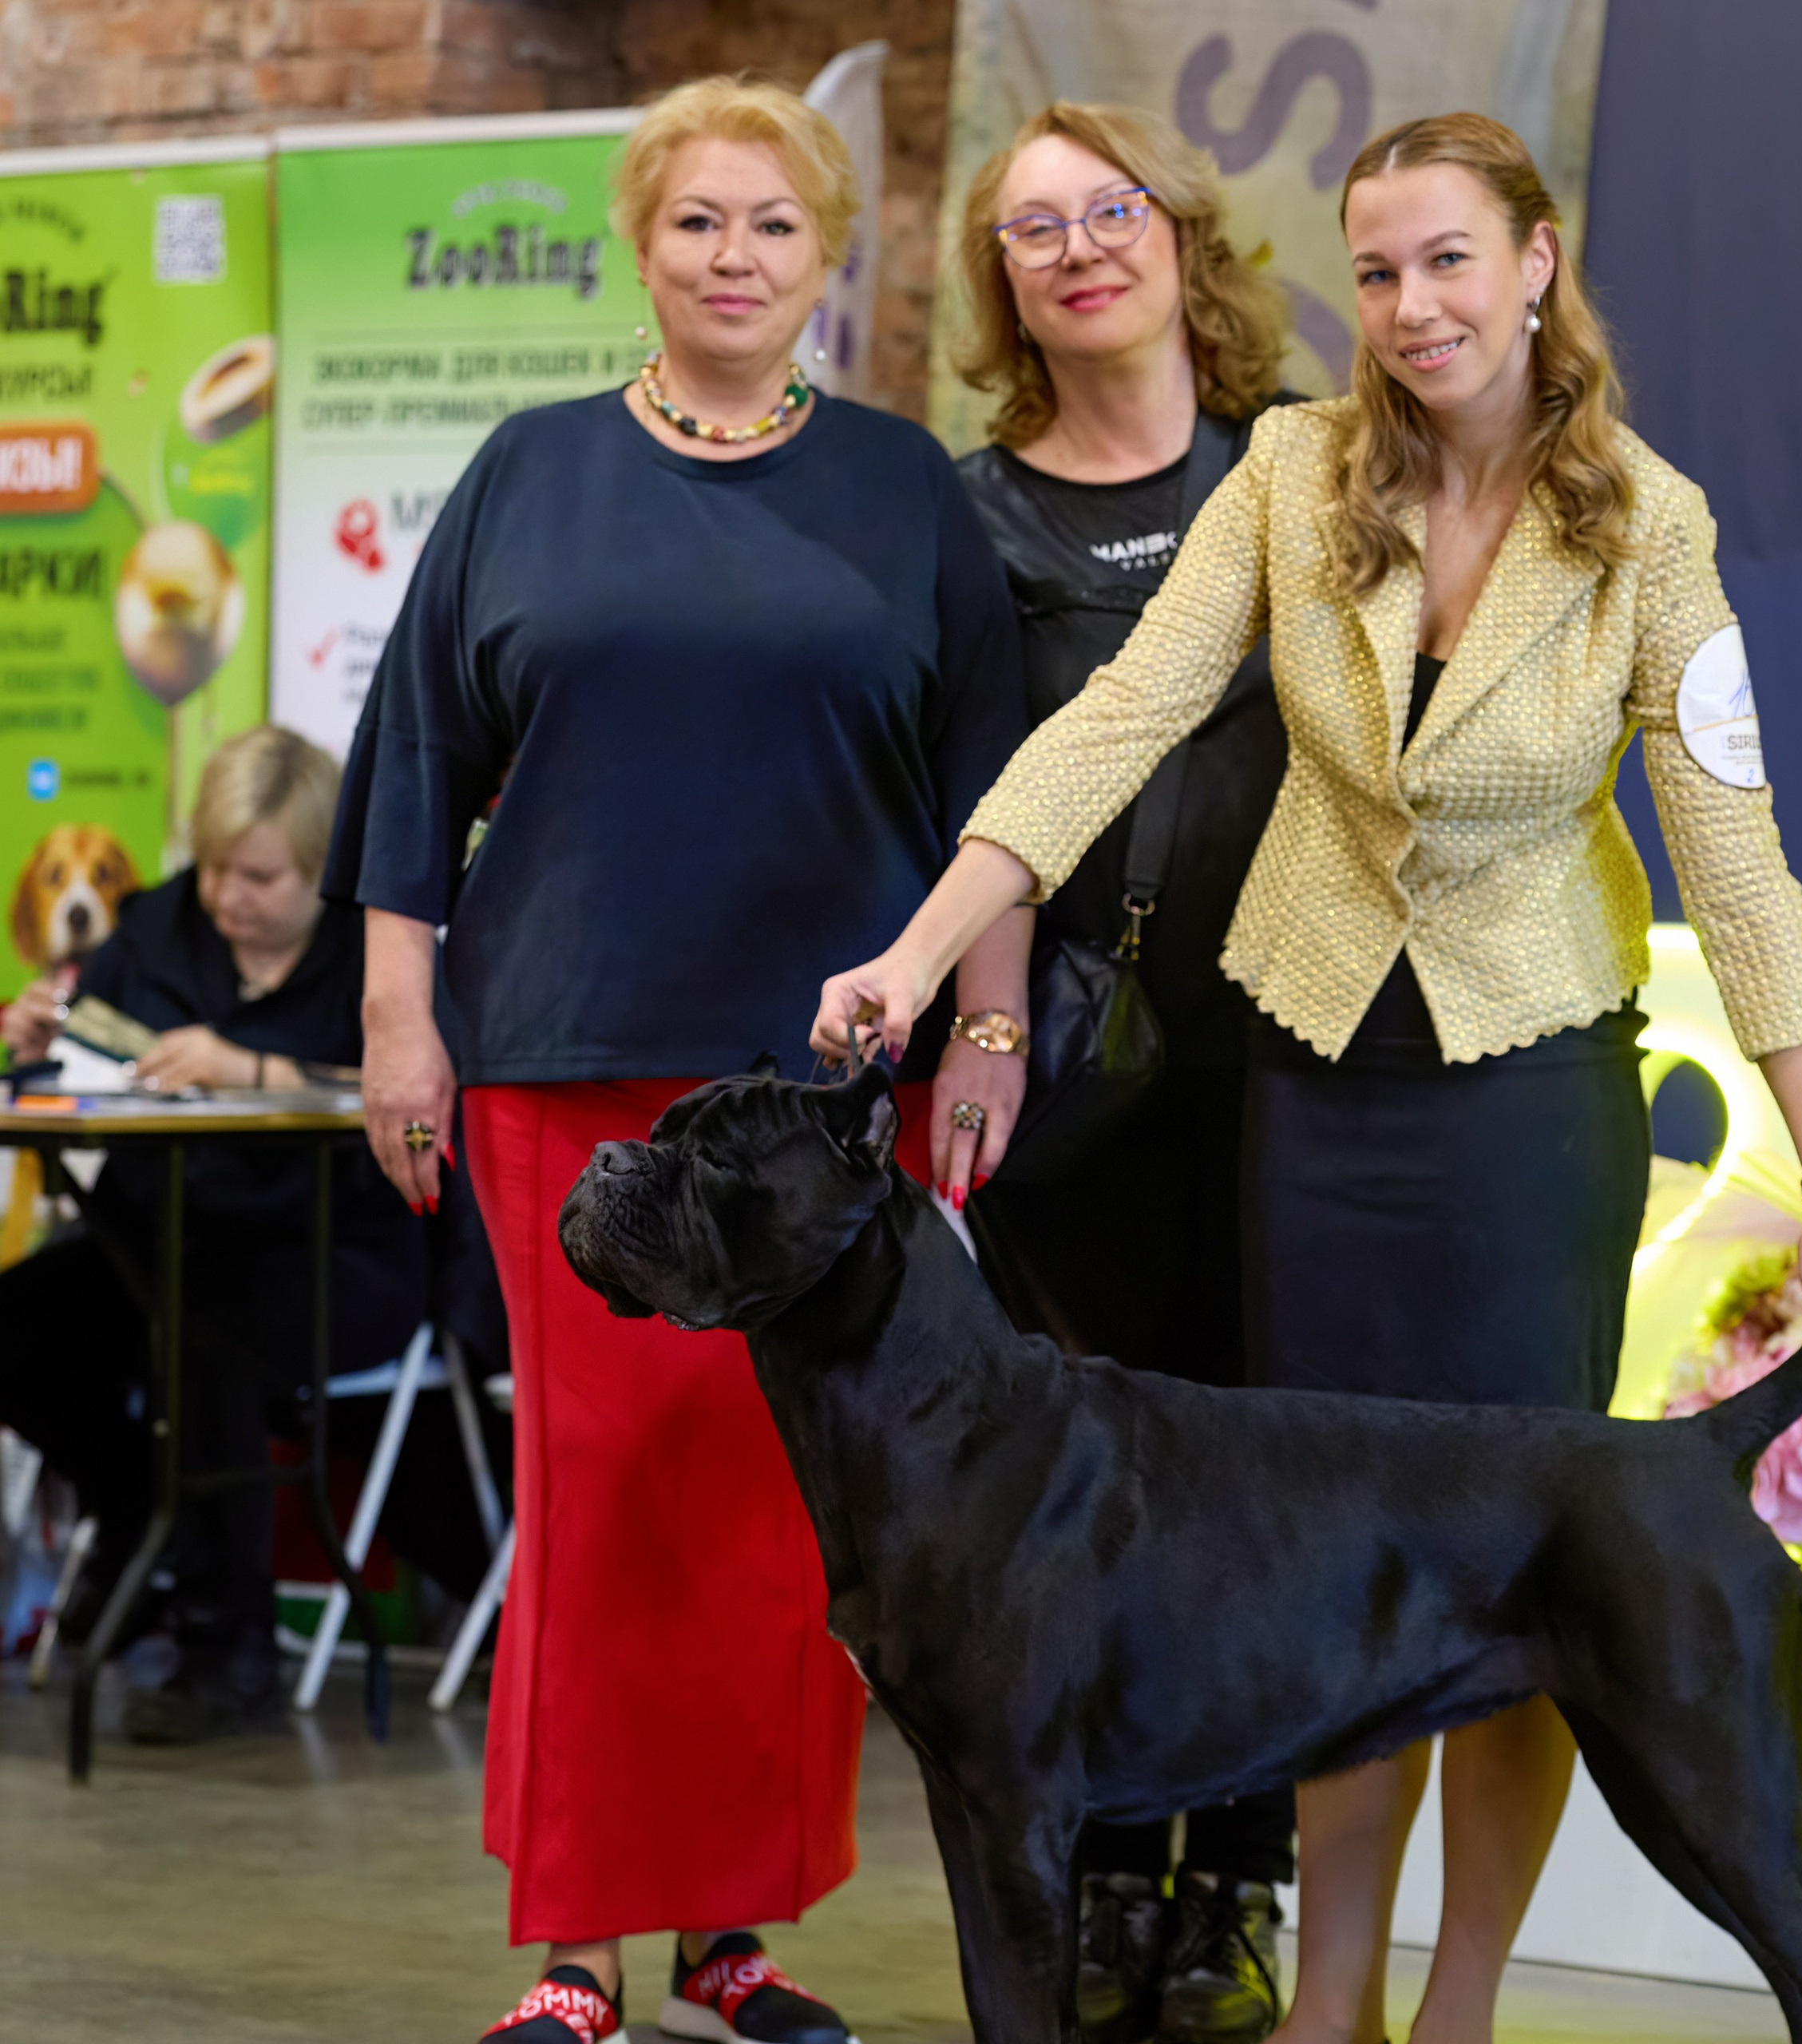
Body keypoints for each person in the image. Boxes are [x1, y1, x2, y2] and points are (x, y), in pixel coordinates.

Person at [811, 113, 1802, 2044]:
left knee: (1528, 1569)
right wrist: (921, 960)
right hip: (1309, 1082)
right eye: (1377, 270)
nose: (1409, 308)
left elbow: (1733, 859)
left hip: (1522, 1094)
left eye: (1447, 262)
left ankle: (1459, 2003)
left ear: (1534, 263)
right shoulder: (1289, 471)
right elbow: (1115, 719)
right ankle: (1330, 2006)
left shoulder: (1645, 525)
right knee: (1326, 1569)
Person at [322, 76, 1031, 2044]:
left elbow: (1002, 797)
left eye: (773, 226)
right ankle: (579, 1953)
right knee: (607, 1501)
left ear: (831, 257)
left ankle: (738, 1930)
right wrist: (401, 1023)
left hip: (823, 1093)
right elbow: (412, 777)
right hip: (571, 1067)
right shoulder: (527, 476)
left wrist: (985, 1021)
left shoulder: (907, 491)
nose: (735, 258)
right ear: (641, 247)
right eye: (698, 222)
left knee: (786, 1520)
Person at [950, 101, 1295, 2044]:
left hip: (1300, 1062)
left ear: (1178, 236)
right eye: (1031, 231)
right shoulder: (969, 510)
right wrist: (984, 1021)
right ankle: (1091, 1883)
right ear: (1002, 283)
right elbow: (989, 795)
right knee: (1078, 1493)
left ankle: (1235, 1886)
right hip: (1076, 1066)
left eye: (1110, 211)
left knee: (1259, 1477)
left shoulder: (1299, 466)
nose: (1078, 247)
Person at [0, 724, 451, 1742]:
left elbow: (431, 1110)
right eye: (213, 868)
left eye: (259, 876)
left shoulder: (375, 960)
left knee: (204, 1336)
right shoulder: (155, 927)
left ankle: (228, 1645)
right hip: (165, 1231)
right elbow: (79, 1045)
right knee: (19, 1324)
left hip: (342, 1252)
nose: (227, 897)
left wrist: (252, 1070)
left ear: (320, 868)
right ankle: (137, 1516)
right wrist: (38, 1036)